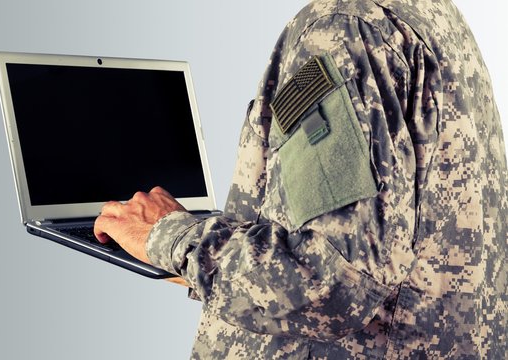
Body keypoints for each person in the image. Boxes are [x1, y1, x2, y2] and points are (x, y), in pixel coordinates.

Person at [94, 0, 507, 358]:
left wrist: (171, 236)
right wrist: (192, 262)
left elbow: (331, 281)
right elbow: (394, 251)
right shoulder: (429, 15)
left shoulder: (346, 28)